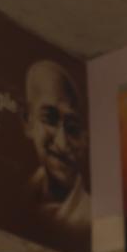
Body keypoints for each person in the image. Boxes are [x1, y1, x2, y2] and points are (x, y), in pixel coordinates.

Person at [24, 60, 90, 226]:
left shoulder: (90, 219)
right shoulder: (20, 197)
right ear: (27, 121)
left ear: (85, 140)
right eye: (50, 119)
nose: (61, 143)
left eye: (73, 129)